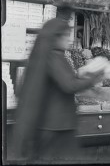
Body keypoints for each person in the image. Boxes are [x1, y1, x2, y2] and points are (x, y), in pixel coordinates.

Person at [12, 16, 103, 163]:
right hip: (56, 127)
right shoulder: (54, 56)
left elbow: (61, 83)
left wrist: (86, 81)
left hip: (53, 125)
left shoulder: (49, 55)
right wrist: (94, 78)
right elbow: (69, 85)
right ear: (56, 38)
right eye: (66, 36)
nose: (70, 40)